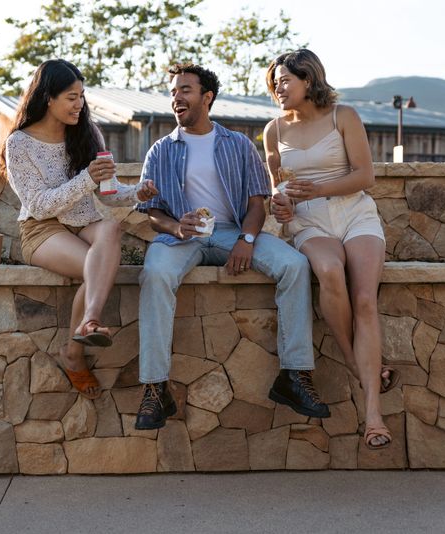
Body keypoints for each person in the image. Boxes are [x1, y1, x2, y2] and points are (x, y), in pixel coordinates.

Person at [133, 63, 330, 431]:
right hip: (181, 238)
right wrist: (177, 227)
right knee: (156, 273)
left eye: (185, 90)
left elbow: (258, 203)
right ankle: (156, 388)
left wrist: (247, 239)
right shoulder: (160, 149)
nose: (177, 97)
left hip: (232, 233)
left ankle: (295, 376)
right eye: (173, 91)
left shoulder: (237, 144)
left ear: (206, 97)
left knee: (294, 265)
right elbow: (151, 212)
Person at [264, 49, 397, 449]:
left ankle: (373, 415)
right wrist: (281, 202)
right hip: (310, 221)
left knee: (365, 301)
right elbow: (277, 186)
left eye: (286, 79)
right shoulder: (273, 130)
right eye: (275, 81)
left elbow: (365, 175)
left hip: (354, 213)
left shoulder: (344, 116)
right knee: (328, 272)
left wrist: (319, 188)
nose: (279, 87)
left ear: (309, 79)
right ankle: (362, 366)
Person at [2, 59, 158, 400]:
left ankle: (87, 323)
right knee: (98, 265)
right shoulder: (19, 144)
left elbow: (109, 192)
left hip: (85, 224)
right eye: (71, 97)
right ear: (48, 98)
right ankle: (76, 350)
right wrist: (86, 177)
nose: (80, 104)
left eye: (82, 96)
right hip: (42, 230)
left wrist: (138, 192)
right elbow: (40, 205)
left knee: (110, 231)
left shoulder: (89, 133)